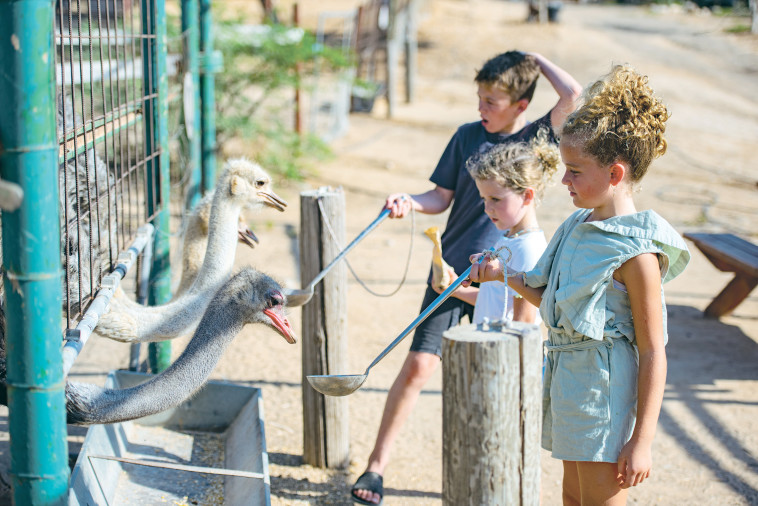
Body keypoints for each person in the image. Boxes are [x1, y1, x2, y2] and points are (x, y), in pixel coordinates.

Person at [350, 50, 582, 506]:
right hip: (452, 270)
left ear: (521, 104)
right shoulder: (465, 137)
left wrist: (533, 57)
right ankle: (377, 466)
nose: (481, 109)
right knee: (418, 364)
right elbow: (440, 196)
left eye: (492, 101)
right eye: (479, 98)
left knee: (492, 381)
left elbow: (572, 94)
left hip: (500, 276)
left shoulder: (536, 138)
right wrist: (410, 203)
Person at [466, 65, 690, 505]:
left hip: (603, 394)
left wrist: (640, 441)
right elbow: (551, 299)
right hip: (570, 384)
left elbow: (652, 351)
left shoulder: (638, 254)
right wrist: (502, 276)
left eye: (574, 171)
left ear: (615, 174)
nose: (564, 181)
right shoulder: (576, 224)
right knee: (572, 499)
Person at [433, 128, 560, 329]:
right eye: (483, 198)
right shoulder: (510, 238)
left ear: (527, 196)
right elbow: (495, 301)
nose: (487, 208)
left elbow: (523, 323)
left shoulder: (528, 249)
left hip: (504, 355)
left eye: (496, 199)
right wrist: (454, 290)